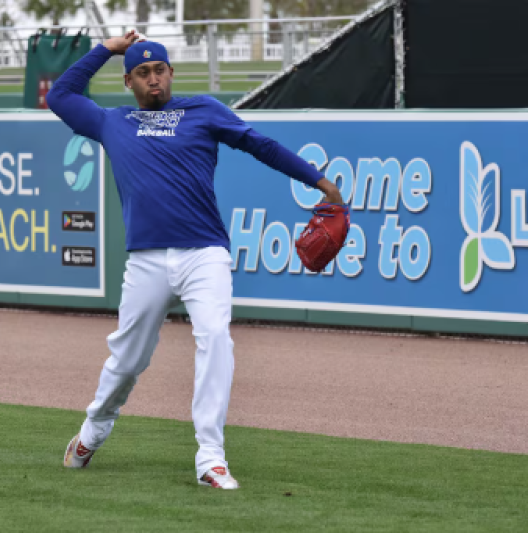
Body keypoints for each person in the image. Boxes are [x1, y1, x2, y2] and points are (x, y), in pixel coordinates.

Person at [46, 30, 344, 490]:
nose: (153, 80)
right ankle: (92, 432)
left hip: (204, 252)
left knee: (215, 338)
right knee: (128, 360)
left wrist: (317, 180)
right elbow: (62, 95)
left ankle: (211, 458)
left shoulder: (201, 110)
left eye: (159, 70)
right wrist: (107, 49)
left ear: (171, 73)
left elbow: (259, 144)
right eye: (142, 73)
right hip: (146, 260)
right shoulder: (112, 121)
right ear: (129, 82)